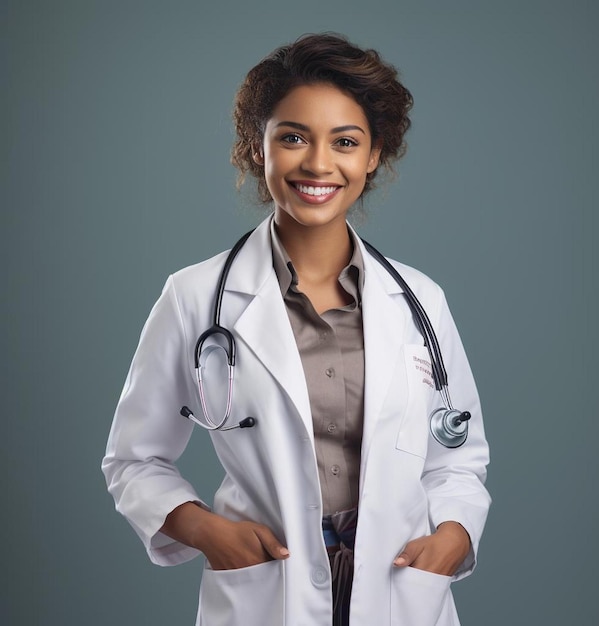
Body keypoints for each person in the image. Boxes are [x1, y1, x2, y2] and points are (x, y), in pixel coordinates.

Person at [102, 33, 490, 626]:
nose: (317, 163)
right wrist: (208, 531)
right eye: (292, 137)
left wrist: (455, 534)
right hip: (268, 592)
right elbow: (134, 460)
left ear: (373, 154)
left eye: (345, 142)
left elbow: (458, 457)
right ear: (258, 148)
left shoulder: (420, 301)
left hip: (400, 588)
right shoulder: (194, 298)